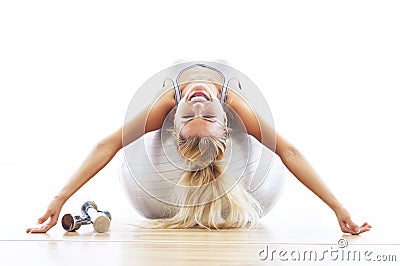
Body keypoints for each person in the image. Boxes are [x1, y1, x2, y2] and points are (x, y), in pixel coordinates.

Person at [26, 63, 371, 234]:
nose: (197, 102)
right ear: (226, 120)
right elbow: (109, 145)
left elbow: (289, 153)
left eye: (192, 114)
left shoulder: (173, 102)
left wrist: (337, 209)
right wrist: (59, 200)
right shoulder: (230, 103)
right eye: (198, 112)